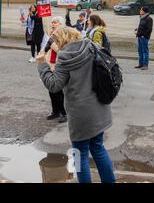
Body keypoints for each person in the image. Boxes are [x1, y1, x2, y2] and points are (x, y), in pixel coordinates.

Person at [36, 27, 115, 183]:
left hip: (80, 114)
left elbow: (54, 85)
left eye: (56, 41)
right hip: (99, 107)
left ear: (61, 40)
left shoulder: (64, 58)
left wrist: (42, 65)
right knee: (98, 148)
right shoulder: (92, 47)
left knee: (80, 155)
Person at [43, 16, 67, 123]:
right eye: (52, 22)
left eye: (55, 22)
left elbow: (62, 51)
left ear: (61, 24)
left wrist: (52, 43)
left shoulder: (64, 35)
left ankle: (64, 113)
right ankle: (55, 111)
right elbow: (45, 49)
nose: (53, 24)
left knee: (58, 91)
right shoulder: (51, 35)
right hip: (51, 65)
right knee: (51, 89)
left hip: (59, 66)